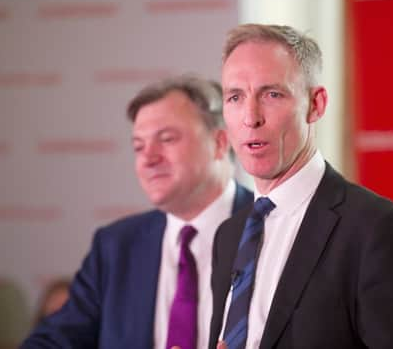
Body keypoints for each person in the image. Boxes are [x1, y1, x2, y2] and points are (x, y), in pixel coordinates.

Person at [208, 24, 393, 349]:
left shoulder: (376, 229)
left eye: (272, 94)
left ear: (315, 105)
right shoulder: (229, 235)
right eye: (235, 97)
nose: (250, 117)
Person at [22, 76, 253, 349]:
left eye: (166, 139)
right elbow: (51, 343)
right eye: (138, 147)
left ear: (220, 143)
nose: (148, 158)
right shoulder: (115, 246)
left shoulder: (272, 230)